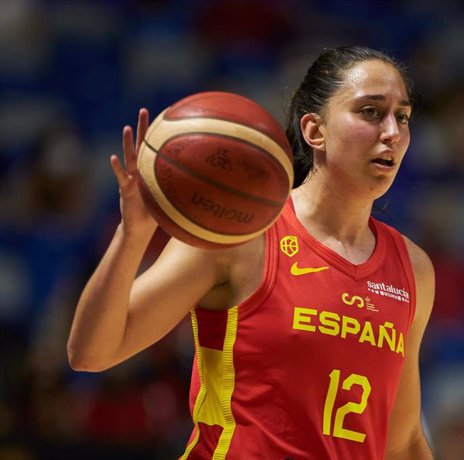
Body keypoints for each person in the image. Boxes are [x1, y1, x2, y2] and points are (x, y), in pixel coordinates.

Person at [67, 46, 435, 460]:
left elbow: (402, 442)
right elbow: (91, 353)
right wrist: (131, 236)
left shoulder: (413, 269)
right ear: (315, 131)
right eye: (370, 112)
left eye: (402, 117)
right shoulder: (238, 234)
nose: (392, 132)